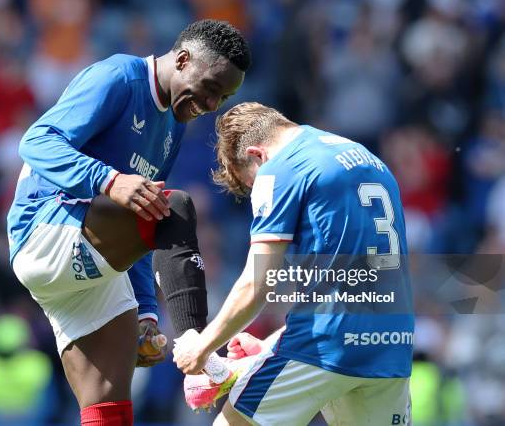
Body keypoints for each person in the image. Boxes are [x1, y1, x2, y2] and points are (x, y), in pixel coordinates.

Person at [6, 20, 250, 426]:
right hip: (46, 229)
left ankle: (166, 331)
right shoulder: (118, 76)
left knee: (108, 406)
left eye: (222, 98)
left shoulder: (173, 125)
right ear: (184, 59)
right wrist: (110, 180)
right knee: (177, 207)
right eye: (210, 88)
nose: (211, 105)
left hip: (85, 259)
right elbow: (36, 141)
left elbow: (145, 227)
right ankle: (198, 347)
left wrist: (148, 315)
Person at [173, 102, 414, 425]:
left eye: (250, 183)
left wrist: (203, 346)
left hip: (325, 346)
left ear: (258, 155)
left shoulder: (281, 169)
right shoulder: (368, 159)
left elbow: (257, 284)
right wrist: (272, 345)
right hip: (391, 344)